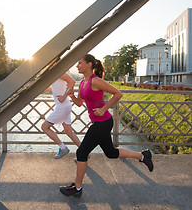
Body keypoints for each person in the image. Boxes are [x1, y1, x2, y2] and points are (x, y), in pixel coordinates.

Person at [59, 54, 153, 197]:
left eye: (79, 62)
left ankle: (77, 188)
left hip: (103, 122)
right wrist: (72, 96)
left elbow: (118, 93)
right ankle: (142, 156)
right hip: (99, 122)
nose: (77, 66)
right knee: (111, 153)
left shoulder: (95, 81)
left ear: (89, 64)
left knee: (81, 153)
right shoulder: (82, 83)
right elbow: (80, 103)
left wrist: (103, 108)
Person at [41, 73, 81, 159]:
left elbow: (72, 81)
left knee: (44, 127)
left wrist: (64, 96)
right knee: (68, 131)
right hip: (65, 106)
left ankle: (63, 148)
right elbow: (58, 88)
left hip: (62, 106)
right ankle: (84, 152)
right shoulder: (55, 73)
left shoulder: (61, 72)